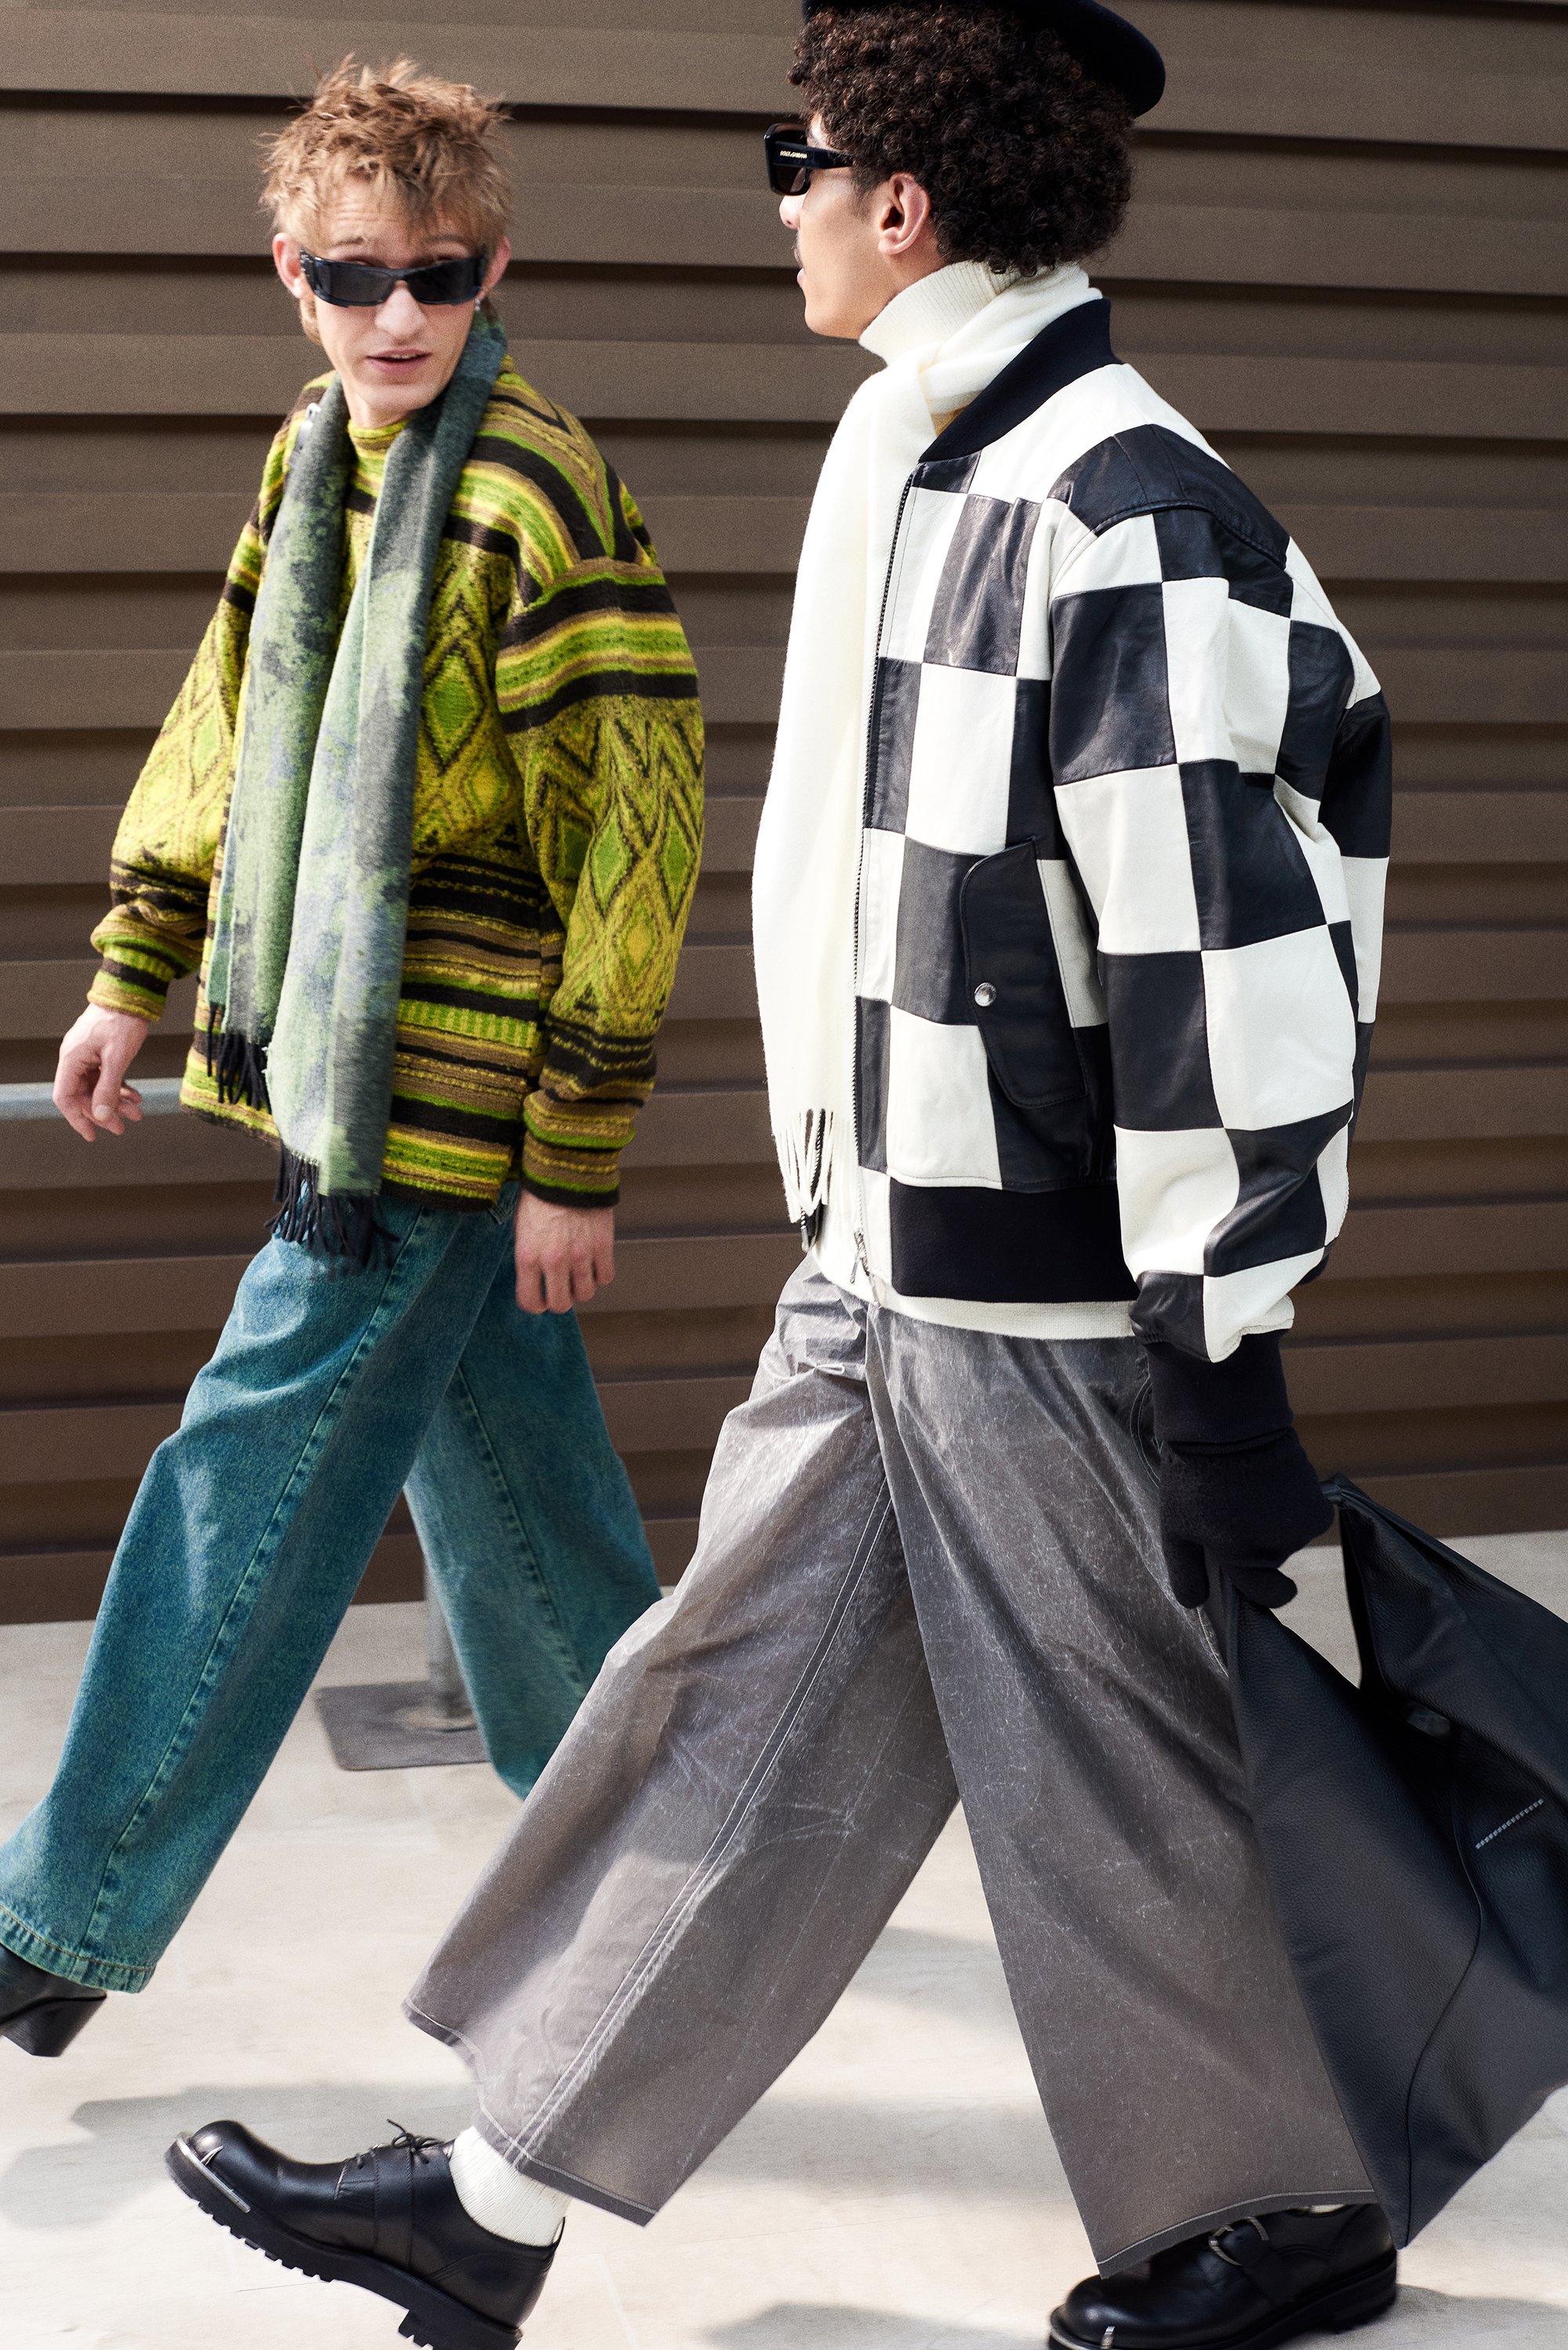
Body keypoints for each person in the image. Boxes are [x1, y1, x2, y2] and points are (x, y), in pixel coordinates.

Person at [167, 8, 1398, 2349]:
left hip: (1040, 1291)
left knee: (1103, 1760)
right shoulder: (916, 452)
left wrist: (1221, 1345)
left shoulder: (1127, 511)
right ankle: (497, 2192)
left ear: (902, 205)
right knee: (726, 1697)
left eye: (797, 162)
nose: (787, 203)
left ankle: (1297, 2200)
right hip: (890, 1249)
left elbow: (1227, 966)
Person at [0, 59, 703, 2061]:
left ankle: (56, 1908)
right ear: (288, 272)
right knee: (519, 1493)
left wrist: (576, 1145)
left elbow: (640, 829)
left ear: (498, 268)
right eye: (356, 274)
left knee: (246, 1467)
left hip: (440, 1093)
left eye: (444, 276)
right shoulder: (316, 455)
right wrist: (134, 969)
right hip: (337, 1059)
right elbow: (223, 711)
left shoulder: (528, 486)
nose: (399, 315)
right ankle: (666, 1864)